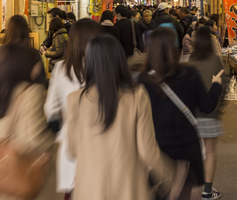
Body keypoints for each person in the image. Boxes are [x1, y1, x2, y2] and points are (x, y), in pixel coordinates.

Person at [66, 34, 187, 200]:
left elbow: (72, 150)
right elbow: (148, 151)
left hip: (89, 189)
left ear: (89, 63)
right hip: (128, 188)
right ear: (119, 61)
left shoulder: (74, 100)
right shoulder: (137, 95)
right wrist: (171, 173)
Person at [138, 28, 223, 200]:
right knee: (183, 194)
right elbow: (207, 106)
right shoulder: (189, 73)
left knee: (157, 192)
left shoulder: (143, 79)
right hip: (186, 149)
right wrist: (216, 85)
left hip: (157, 149)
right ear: (173, 48)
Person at [0, 44, 54, 200]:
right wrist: (51, 142)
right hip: (19, 175)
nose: (38, 67)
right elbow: (33, 138)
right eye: (36, 63)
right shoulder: (31, 92)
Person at [44, 19, 101, 199]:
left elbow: (50, 109)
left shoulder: (61, 68)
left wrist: (63, 130)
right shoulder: (105, 67)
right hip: (103, 143)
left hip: (72, 145)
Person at [188, 27, 230, 200]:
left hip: (193, 115)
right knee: (210, 151)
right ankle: (207, 190)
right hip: (211, 113)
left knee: (194, 152)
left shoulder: (191, 60)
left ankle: (189, 189)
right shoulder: (216, 60)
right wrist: (219, 107)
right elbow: (224, 84)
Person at [0, 15, 47, 87]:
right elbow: (42, 81)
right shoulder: (33, 54)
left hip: (5, 95)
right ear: (26, 32)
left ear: (8, 31)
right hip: (28, 96)